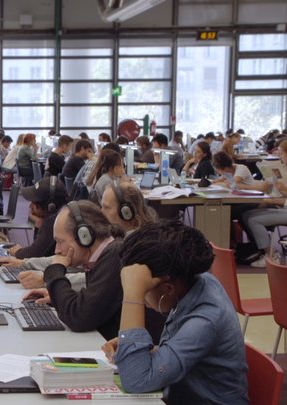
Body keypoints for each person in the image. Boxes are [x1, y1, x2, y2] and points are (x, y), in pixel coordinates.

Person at [102, 221, 247, 404]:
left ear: (168, 288)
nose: (142, 297)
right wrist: (140, 348)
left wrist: (133, 295)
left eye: (143, 288)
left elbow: (136, 381)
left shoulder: (206, 320)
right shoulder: (199, 283)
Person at [21, 201, 131, 340]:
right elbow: (92, 303)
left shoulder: (115, 255)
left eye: (60, 242)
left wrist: (55, 272)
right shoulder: (105, 255)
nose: (57, 250)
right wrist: (57, 296)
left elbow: (79, 318)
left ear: (84, 236)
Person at [240, 140, 287, 268]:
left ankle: (271, 256)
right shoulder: (283, 169)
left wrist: (272, 199)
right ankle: (259, 249)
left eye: (282, 153)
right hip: (281, 206)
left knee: (254, 220)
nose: (280, 156)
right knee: (246, 215)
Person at [0, 175, 68, 260]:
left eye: (34, 203)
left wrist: (17, 252)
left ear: (50, 207)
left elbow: (33, 254)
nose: (30, 206)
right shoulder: (63, 212)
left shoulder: (53, 222)